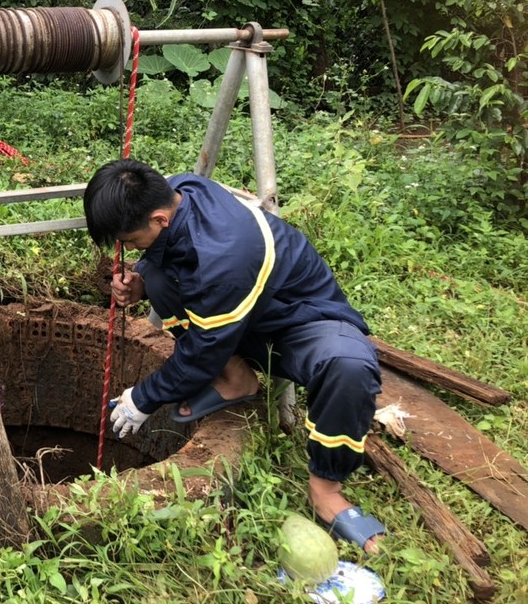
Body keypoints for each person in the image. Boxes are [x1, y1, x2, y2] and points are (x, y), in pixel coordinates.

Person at [85, 159, 386, 554]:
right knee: (158, 275)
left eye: (133, 240)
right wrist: (141, 282)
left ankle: (326, 490)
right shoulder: (180, 190)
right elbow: (172, 268)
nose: (131, 249)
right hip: (235, 314)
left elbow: (202, 352)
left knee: (348, 367)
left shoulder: (223, 256)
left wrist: (142, 398)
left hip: (299, 321)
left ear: (159, 219)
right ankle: (237, 380)